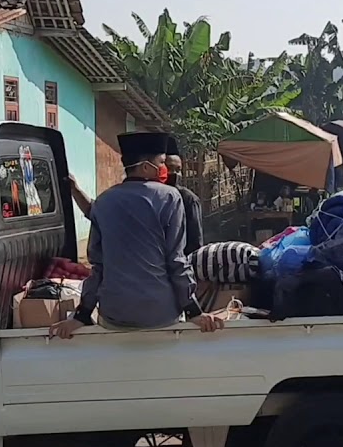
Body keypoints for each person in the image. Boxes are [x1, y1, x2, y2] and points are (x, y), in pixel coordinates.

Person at [49, 131, 224, 338]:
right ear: (146, 167)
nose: (164, 168)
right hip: (161, 315)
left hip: (115, 315)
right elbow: (176, 260)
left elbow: (98, 266)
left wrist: (82, 315)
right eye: (161, 162)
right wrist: (193, 311)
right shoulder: (170, 197)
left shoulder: (104, 201)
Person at [164, 143, 204, 256]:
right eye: (170, 168)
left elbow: (196, 239)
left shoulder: (189, 199)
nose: (175, 174)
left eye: (178, 169)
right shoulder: (154, 197)